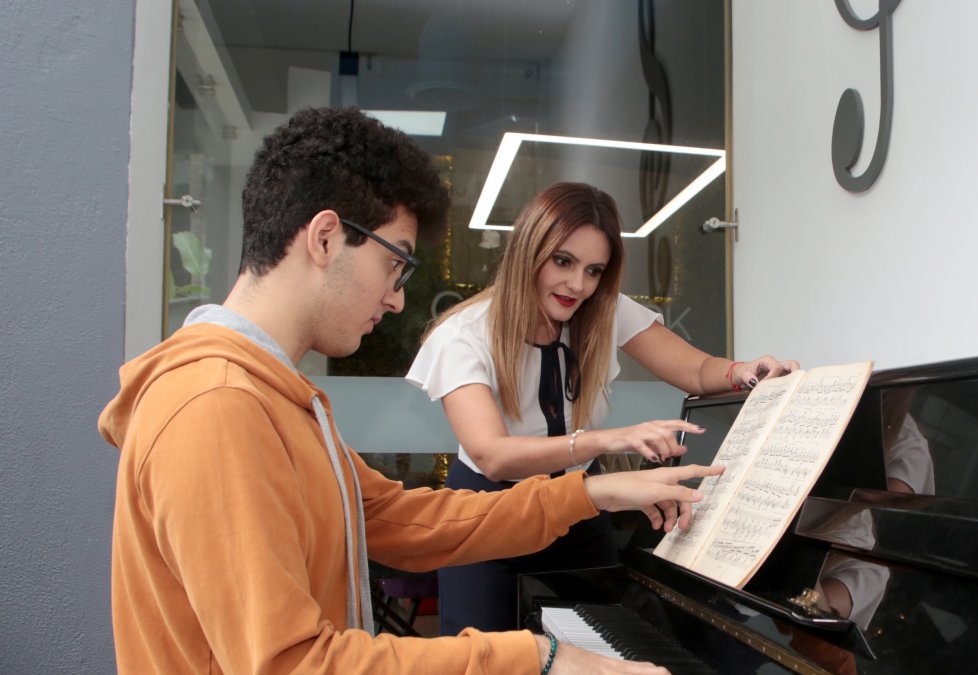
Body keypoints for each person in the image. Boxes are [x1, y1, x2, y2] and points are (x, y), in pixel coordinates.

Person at [98, 107, 722, 675]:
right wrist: (536, 656)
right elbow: (292, 665)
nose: (396, 298)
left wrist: (592, 492)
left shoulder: (274, 398)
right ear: (324, 238)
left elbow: (396, 518)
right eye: (394, 262)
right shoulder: (217, 407)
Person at [406, 182, 800, 635]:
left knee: (604, 645)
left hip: (578, 508)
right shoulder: (463, 335)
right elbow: (492, 454)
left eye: (594, 270)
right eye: (563, 261)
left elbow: (695, 370)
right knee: (486, 658)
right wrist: (610, 439)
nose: (578, 285)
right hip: (489, 515)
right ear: (528, 251)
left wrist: (744, 371)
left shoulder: (603, 310)